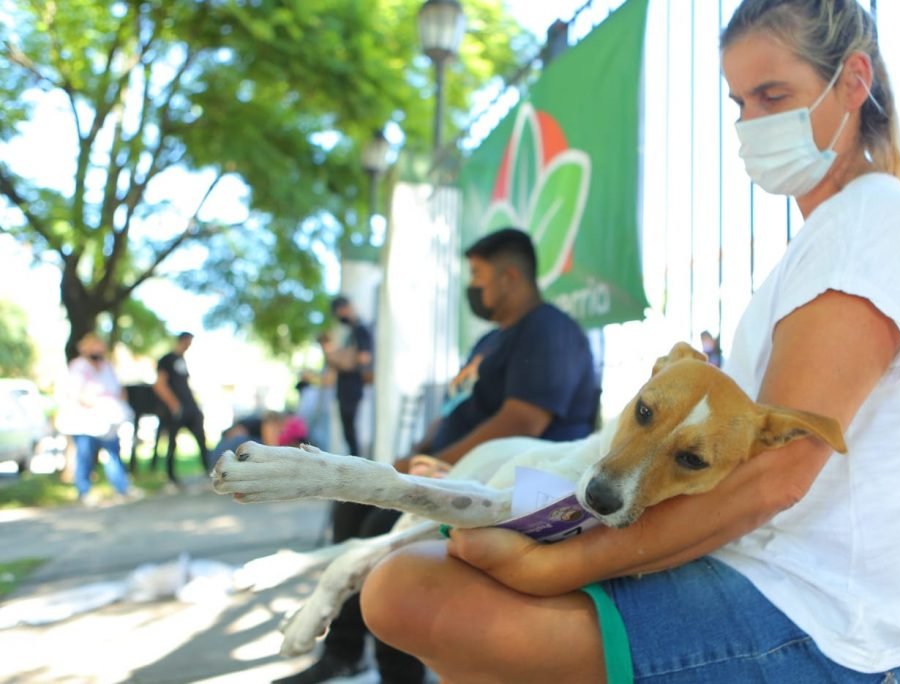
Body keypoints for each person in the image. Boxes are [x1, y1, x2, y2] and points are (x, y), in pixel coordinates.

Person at [357, 2, 900, 682]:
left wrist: (552, 564)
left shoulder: (866, 232)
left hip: (823, 621)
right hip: (781, 581)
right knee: (430, 570)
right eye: (739, 101)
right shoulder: (836, 234)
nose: (752, 123)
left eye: (773, 96)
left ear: (852, 81)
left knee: (410, 590)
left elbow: (777, 480)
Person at [276, 227, 599, 684]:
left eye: (478, 275)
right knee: (350, 503)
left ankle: (399, 674)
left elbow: (521, 421)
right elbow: (455, 410)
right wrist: (411, 458)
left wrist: (427, 468)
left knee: (380, 525)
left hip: (504, 481)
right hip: (451, 469)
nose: (473, 287)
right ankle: (344, 652)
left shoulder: (548, 330)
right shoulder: (490, 342)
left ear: (510, 277)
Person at [55, 333, 137, 505]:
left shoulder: (107, 367)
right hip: (85, 421)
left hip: (108, 422)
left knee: (113, 454)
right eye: (93, 346)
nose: (97, 349)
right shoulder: (79, 367)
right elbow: (77, 393)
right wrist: (99, 404)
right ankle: (84, 491)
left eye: (99, 346)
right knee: (85, 455)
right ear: (84, 348)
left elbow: (118, 389)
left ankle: (122, 488)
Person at [153, 332, 212, 484]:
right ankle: (170, 476)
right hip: (176, 409)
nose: (189, 345)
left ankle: (209, 469)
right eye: (188, 342)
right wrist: (174, 404)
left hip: (191, 407)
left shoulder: (182, 360)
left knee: (201, 438)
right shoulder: (166, 359)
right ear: (183, 340)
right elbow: (159, 385)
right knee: (172, 442)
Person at [324, 296, 373, 458]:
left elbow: (365, 357)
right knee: (348, 431)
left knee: (351, 432)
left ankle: (357, 465)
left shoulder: (360, 329)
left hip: (352, 388)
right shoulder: (351, 330)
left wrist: (340, 357)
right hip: (345, 389)